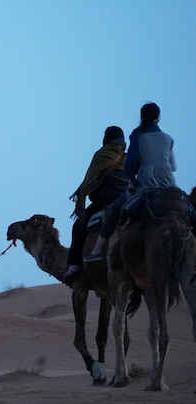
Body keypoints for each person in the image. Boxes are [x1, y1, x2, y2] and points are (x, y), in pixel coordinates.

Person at [85, 102, 178, 261]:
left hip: (147, 186)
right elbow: (173, 167)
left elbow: (131, 166)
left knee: (114, 212)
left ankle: (97, 251)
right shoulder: (168, 139)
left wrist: (133, 180)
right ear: (158, 118)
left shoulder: (137, 135)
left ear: (141, 117)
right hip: (170, 187)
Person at [64, 126, 129, 281]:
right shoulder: (127, 157)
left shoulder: (102, 154)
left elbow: (91, 179)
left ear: (106, 139)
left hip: (104, 202)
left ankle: (75, 263)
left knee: (78, 225)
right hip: (125, 200)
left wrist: (81, 197)